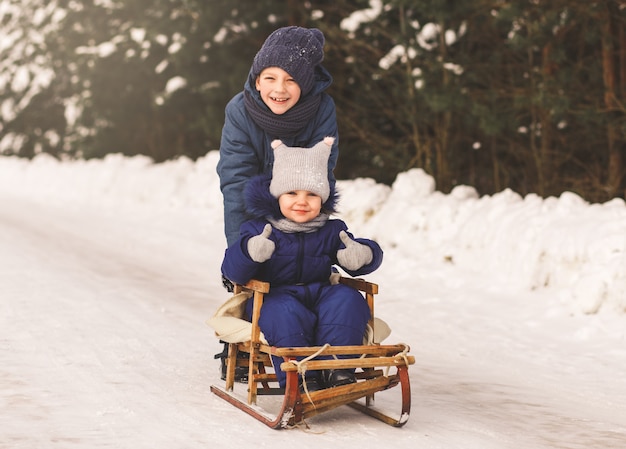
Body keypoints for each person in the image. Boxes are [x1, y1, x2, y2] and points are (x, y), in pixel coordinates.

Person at [220, 137, 383, 390]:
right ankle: (299, 375)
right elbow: (232, 270)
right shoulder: (258, 228)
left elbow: (353, 250)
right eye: (292, 193)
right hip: (274, 296)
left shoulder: (332, 230)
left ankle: (337, 370)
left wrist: (363, 255)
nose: (302, 201)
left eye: (312, 194)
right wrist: (250, 252)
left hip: (319, 293)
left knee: (347, 300)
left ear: (323, 198)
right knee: (284, 313)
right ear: (277, 196)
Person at [217, 26, 339, 253]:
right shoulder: (239, 111)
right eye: (270, 78)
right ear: (257, 82)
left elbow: (319, 176)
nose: (279, 89)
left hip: (299, 209)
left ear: (306, 85)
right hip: (252, 212)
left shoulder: (322, 109)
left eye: (291, 80)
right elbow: (236, 181)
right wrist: (238, 252)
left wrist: (314, 253)